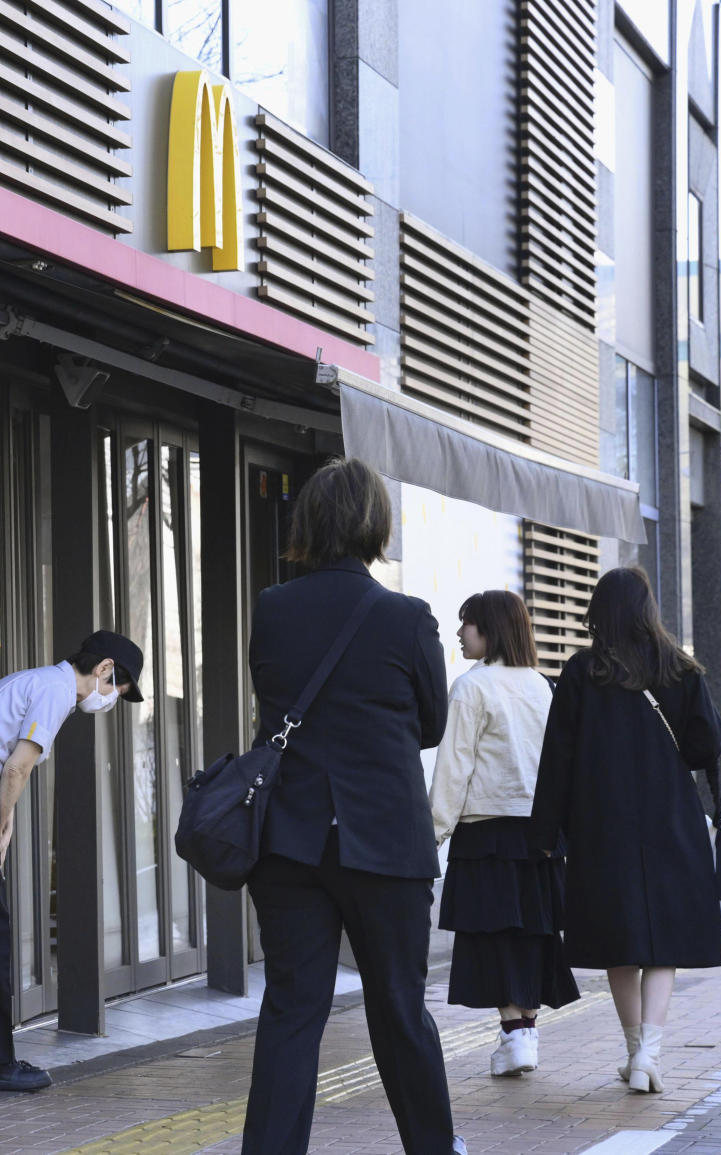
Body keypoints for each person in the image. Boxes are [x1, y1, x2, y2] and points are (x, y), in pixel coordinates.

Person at [242, 457, 466, 1155]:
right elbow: (432, 724)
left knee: (291, 1010)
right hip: (386, 842)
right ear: (375, 524)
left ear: (307, 523)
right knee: (399, 1007)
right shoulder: (406, 619)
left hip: (291, 842)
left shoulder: (273, 608)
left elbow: (272, 700)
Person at [529, 567, 721, 1094]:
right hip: (670, 820)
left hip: (601, 823)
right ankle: (649, 1057)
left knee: (620, 940)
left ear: (600, 610)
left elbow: (558, 758)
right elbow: (706, 747)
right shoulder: (681, 668)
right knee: (663, 943)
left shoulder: (581, 672)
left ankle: (636, 1051)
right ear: (647, 610)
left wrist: (545, 831)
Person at [0, 630, 143, 1092]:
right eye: (117, 689)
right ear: (104, 668)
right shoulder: (55, 690)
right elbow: (16, 767)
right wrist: (3, 825)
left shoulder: (36, 681)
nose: (111, 700)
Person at [430, 591, 580, 1079]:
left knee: (491, 934)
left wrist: (433, 830)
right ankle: (525, 1035)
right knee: (533, 933)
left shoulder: (472, 687)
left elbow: (455, 766)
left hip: (485, 832)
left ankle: (514, 1034)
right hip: (539, 834)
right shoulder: (544, 686)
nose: (459, 634)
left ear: (488, 630)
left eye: (466, 624)